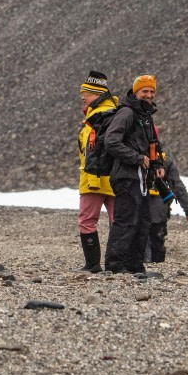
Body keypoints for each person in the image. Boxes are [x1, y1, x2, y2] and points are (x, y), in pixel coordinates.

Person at [103, 74, 163, 275]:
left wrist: (157, 165)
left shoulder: (146, 116)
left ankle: (134, 264)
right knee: (126, 220)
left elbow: (153, 146)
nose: (149, 95)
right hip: (126, 176)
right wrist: (136, 158)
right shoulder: (127, 113)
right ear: (136, 92)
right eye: (145, 91)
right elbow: (111, 141)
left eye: (152, 91)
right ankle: (114, 265)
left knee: (143, 221)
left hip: (142, 178)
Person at [77, 71, 118, 272]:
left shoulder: (98, 116)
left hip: (94, 178)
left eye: (85, 93)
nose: (82, 97)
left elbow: (94, 152)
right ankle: (116, 263)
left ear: (96, 94)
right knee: (117, 220)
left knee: (87, 221)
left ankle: (92, 265)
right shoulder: (115, 113)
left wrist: (92, 178)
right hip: (115, 178)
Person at [144, 149, 188, 263]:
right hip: (159, 208)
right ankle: (156, 264)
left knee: (142, 237)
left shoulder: (134, 156)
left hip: (140, 204)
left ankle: (145, 262)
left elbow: (177, 186)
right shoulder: (164, 160)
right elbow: (177, 186)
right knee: (157, 238)